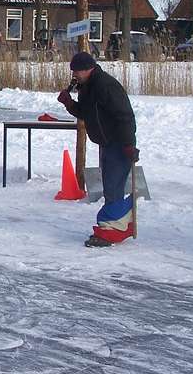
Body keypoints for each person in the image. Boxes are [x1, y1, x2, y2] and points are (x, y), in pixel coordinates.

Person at [57, 52, 138, 247]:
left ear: (88, 69)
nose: (74, 75)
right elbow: (86, 113)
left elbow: (124, 115)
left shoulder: (105, 85)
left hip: (118, 142)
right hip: (107, 142)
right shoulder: (87, 86)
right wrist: (69, 103)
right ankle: (115, 225)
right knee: (111, 186)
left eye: (77, 71)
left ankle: (114, 228)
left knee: (112, 186)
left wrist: (128, 144)